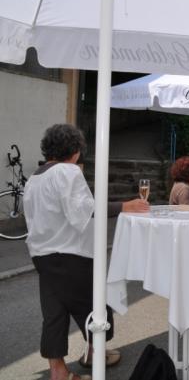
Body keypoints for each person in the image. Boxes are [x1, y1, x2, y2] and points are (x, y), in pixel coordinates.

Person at [23, 124, 149, 380]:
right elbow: (84, 210)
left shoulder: (35, 177)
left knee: (54, 314)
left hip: (42, 255)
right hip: (71, 254)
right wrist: (125, 206)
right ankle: (94, 353)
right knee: (95, 306)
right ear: (75, 150)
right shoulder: (68, 171)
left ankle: (58, 370)